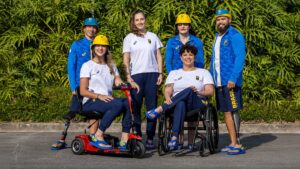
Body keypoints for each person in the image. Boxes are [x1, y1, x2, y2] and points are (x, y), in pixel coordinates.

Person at [145, 44, 214, 150]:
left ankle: (160, 109)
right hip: (177, 104)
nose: (188, 57)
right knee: (180, 103)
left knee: (190, 90)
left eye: (190, 55)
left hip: (196, 103)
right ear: (181, 57)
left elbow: (210, 91)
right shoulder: (174, 73)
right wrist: (167, 96)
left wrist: (199, 92)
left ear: (194, 57)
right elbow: (168, 89)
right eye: (185, 55)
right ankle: (174, 137)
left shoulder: (203, 72)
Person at [51, 17, 99, 149]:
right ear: (84, 28)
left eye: (94, 27)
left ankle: (93, 138)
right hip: (80, 86)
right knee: (72, 111)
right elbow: (71, 67)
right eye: (89, 26)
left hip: (95, 87)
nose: (91, 29)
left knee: (95, 112)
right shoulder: (77, 45)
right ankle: (62, 138)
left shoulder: (99, 46)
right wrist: (73, 86)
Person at [80, 35, 134, 150]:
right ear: (93, 48)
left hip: (106, 101)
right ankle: (98, 135)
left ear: (107, 48)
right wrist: (99, 96)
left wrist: (127, 84)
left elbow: (118, 80)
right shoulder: (87, 66)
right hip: (91, 101)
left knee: (128, 101)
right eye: (98, 46)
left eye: (103, 46)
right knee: (118, 104)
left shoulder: (111, 66)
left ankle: (124, 138)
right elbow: (83, 91)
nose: (100, 48)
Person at [123, 10, 163, 149]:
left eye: (142, 19)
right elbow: (126, 59)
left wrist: (160, 73)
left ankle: (151, 138)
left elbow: (158, 56)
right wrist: (128, 77)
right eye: (137, 20)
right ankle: (138, 136)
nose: (140, 22)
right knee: (136, 108)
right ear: (133, 22)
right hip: (136, 77)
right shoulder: (129, 38)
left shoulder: (153, 36)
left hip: (152, 75)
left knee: (152, 108)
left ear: (145, 20)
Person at [165, 13, 205, 150]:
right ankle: (179, 140)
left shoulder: (197, 41)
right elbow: (168, 63)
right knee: (179, 103)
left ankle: (191, 141)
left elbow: (200, 61)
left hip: (193, 78)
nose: (183, 26)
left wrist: (197, 78)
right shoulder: (172, 42)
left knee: (188, 100)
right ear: (177, 26)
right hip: (177, 80)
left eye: (185, 24)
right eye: (180, 24)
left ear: (189, 26)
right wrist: (173, 78)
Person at [209, 9, 246, 155]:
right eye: (218, 19)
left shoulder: (235, 35)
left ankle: (238, 144)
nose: (221, 22)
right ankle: (232, 142)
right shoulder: (218, 37)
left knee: (233, 110)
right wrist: (211, 79)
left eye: (223, 19)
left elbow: (240, 57)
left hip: (230, 82)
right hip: (219, 82)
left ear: (229, 20)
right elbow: (214, 61)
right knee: (226, 112)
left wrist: (233, 77)